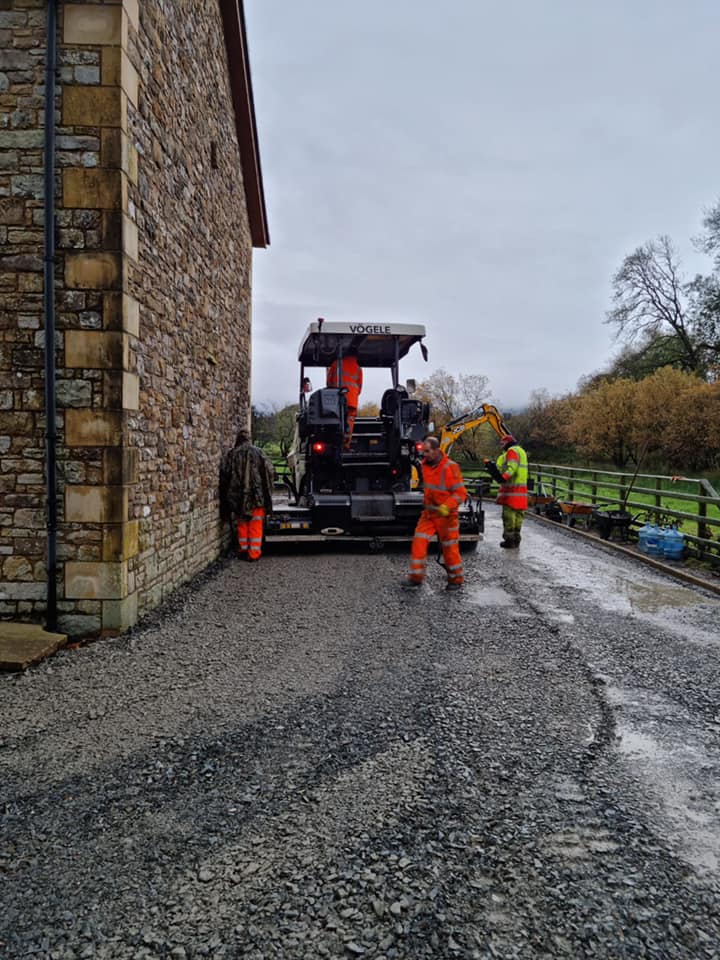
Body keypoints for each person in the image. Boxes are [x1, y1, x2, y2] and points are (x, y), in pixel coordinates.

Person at [404, 436, 467, 591]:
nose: (424, 455)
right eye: (423, 451)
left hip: (447, 516)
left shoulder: (450, 467)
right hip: (429, 514)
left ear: (437, 450)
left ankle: (455, 579)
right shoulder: (425, 466)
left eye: (427, 451)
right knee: (418, 543)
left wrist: (447, 506)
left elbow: (460, 493)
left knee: (450, 549)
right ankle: (415, 577)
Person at [219, 429, 274, 561]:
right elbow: (269, 471)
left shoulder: (232, 454)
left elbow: (225, 474)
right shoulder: (259, 453)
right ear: (249, 439)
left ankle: (243, 550)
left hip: (238, 497)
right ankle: (254, 553)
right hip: (257, 497)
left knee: (242, 523)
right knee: (255, 525)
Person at [484, 433, 528, 549]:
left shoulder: (511, 451)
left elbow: (511, 468)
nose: (501, 446)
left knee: (509, 516)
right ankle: (516, 539)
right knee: (519, 516)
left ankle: (509, 541)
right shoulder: (521, 451)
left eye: (502, 443)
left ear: (508, 442)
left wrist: (502, 477)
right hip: (521, 489)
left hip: (511, 489)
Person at [326, 347, 363, 449]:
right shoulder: (358, 368)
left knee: (335, 419)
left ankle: (335, 443)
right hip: (352, 399)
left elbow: (329, 382)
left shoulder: (336, 364)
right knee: (349, 420)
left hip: (336, 398)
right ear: (356, 356)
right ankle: (346, 444)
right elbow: (359, 388)